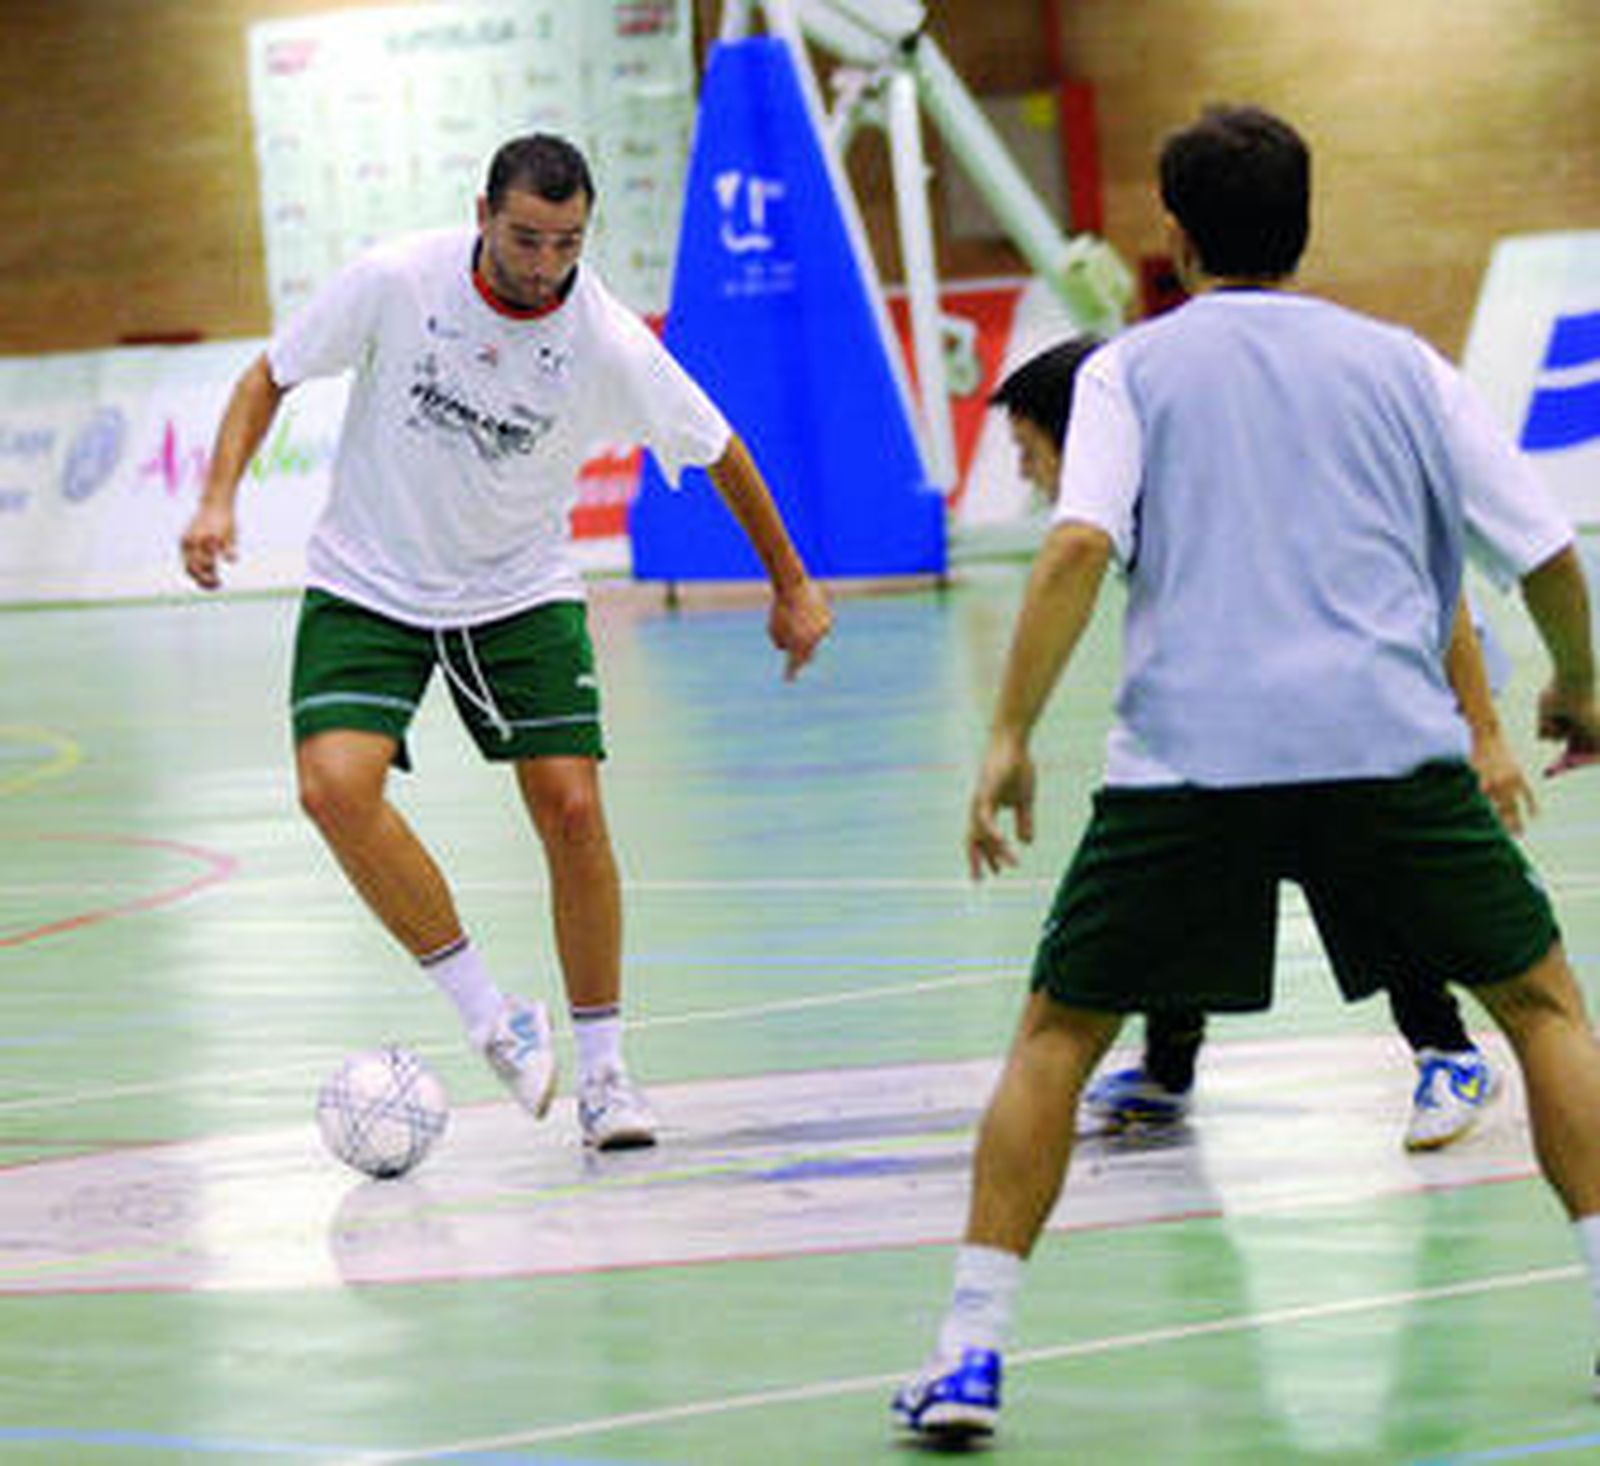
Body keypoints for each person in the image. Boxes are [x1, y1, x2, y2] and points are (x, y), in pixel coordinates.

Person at [893, 104, 1600, 1442]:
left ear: (1172, 231)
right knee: (1547, 1009)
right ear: (1306, 220)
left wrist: (1005, 735)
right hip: (1386, 752)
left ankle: (970, 1353)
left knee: (1054, 1037)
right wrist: (1580, 684)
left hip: (1188, 769)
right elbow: (1549, 555)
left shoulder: (1129, 373)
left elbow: (1075, 546)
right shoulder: (1409, 368)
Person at [180, 134, 832, 1151]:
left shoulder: (603, 338)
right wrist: (218, 498)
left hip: (515, 586)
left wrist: (791, 585)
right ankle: (493, 1015)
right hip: (370, 575)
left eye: (566, 243)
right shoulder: (398, 281)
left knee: (571, 805)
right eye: (526, 237)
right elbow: (269, 375)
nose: (543, 263)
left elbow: (720, 447)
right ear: (482, 210)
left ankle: (608, 1073)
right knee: (331, 788)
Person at [991, 340, 1527, 1152]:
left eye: (1030, 451)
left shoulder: (1222, 488)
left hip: (1413, 664)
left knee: (1352, 860)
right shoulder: (1140, 495)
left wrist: (1483, 731)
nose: (1028, 474)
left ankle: (1449, 1052)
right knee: (1194, 848)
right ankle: (1168, 1069)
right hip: (1303, 682)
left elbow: (1437, 583)